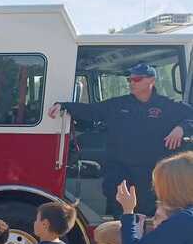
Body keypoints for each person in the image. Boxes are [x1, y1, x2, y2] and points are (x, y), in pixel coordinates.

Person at [48, 63, 193, 217]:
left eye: (136, 79)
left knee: (150, 219)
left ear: (151, 80)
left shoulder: (167, 105)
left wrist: (181, 128)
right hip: (120, 171)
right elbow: (91, 111)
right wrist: (64, 106)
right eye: (129, 80)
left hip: (150, 175)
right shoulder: (118, 104)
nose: (131, 83)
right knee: (120, 217)